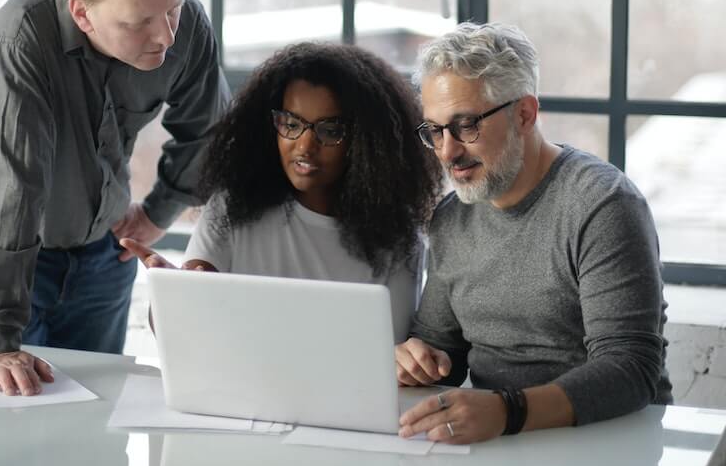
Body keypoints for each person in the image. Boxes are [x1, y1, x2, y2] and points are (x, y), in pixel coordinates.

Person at [0, 0, 229, 396]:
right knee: (12, 423)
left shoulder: (184, 23)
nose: (164, 36)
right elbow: (10, 188)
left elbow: (209, 130)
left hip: (101, 245)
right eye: (138, 22)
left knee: (98, 418)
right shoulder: (20, 37)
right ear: (82, 12)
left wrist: (160, 210)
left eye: (172, 10)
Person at [396, 22, 671, 444]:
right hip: (503, 439)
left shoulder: (602, 205)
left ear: (524, 113)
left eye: (466, 125)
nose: (448, 152)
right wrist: (417, 361)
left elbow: (630, 369)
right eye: (435, 131)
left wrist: (507, 410)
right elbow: (442, 352)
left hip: (611, 440)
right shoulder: (452, 218)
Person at [122, 42, 439, 340]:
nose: (304, 147)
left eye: (330, 131)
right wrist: (174, 294)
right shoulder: (231, 208)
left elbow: (393, 354)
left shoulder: (397, 236)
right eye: (290, 124)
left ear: (367, 143)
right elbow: (180, 329)